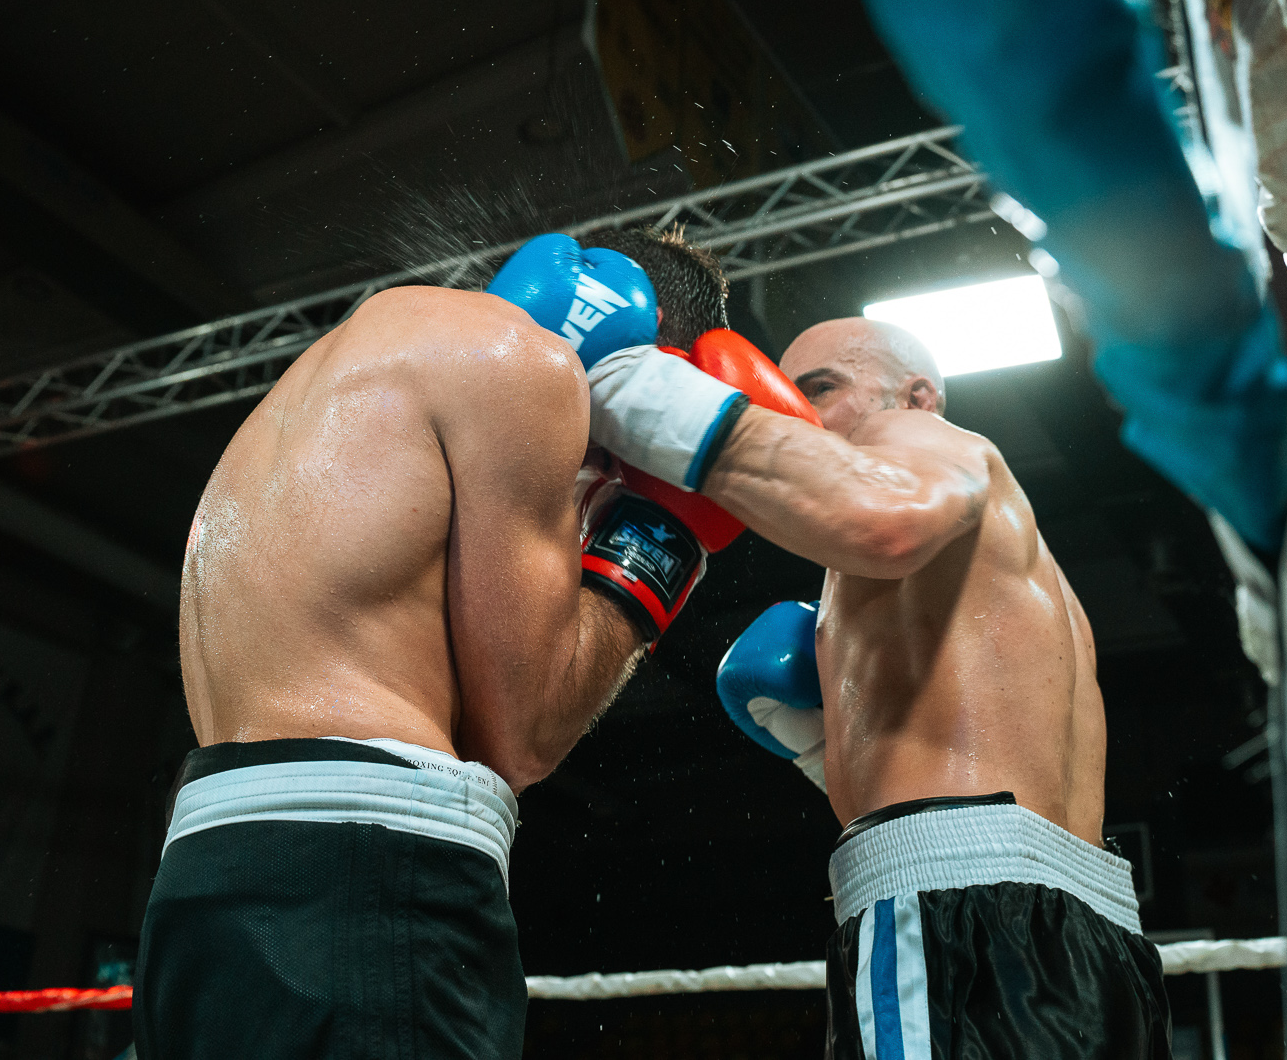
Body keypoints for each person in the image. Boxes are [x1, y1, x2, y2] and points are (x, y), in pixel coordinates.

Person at [134, 229, 733, 1060]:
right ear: (660, 345)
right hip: (366, 869)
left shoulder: (332, 371)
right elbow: (525, 734)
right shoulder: (530, 365)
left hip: (200, 871)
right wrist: (661, 541)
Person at [585, 316, 1170, 1058]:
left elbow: (887, 523)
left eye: (820, 389)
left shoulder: (914, 436)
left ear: (918, 397)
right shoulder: (1029, 586)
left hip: (962, 918)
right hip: (1097, 939)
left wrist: (640, 391)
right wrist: (825, 752)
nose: (797, 416)